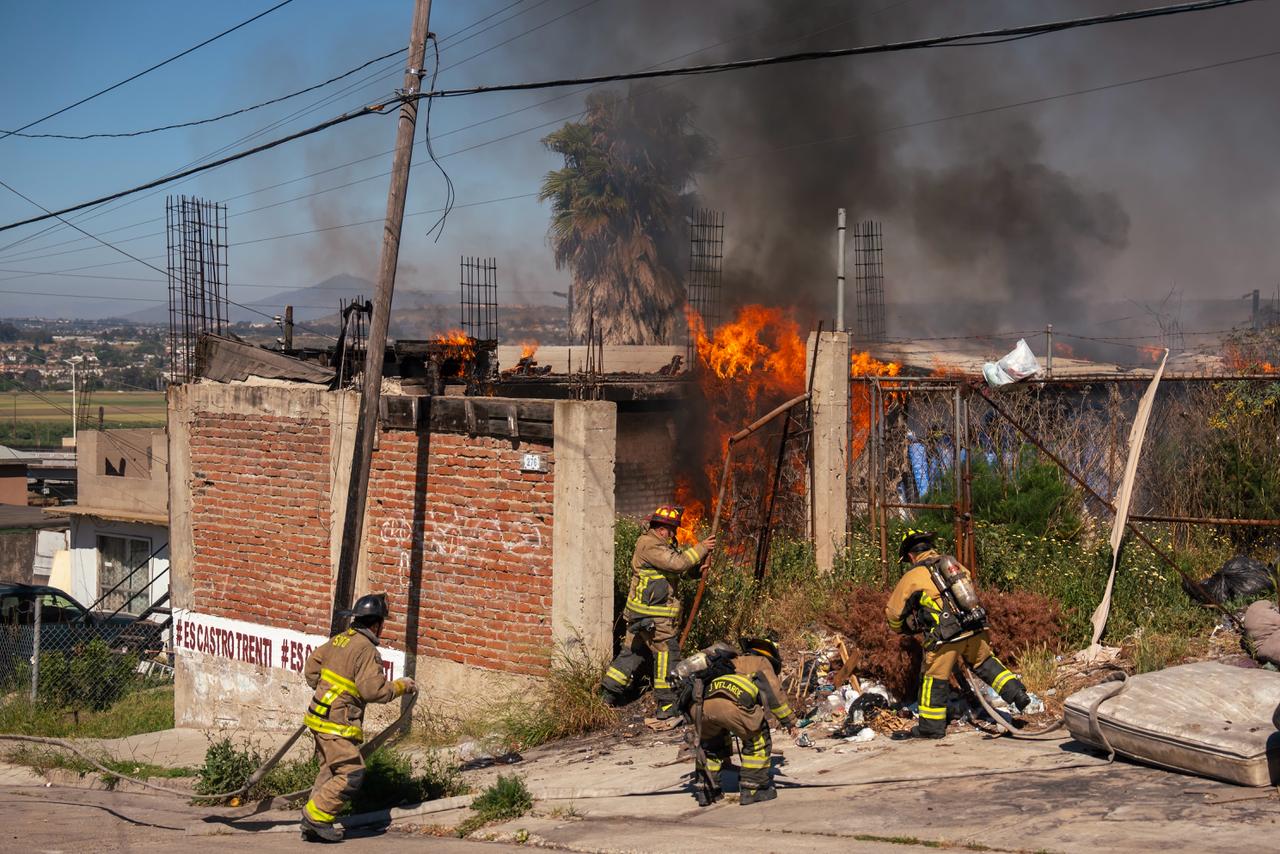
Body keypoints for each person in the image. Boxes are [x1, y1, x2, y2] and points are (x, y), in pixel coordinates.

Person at [885, 529, 1031, 740]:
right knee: (985, 663)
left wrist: (902, 628)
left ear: (910, 556)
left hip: (946, 637)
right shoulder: (954, 565)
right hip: (975, 626)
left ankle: (931, 727)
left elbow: (893, 612)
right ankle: (1018, 693)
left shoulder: (912, 576)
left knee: (933, 679)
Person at [300, 593, 417, 843]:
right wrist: (401, 686)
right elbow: (373, 691)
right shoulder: (367, 650)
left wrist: (325, 692)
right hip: (337, 724)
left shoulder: (339, 639)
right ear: (376, 624)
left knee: (330, 770)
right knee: (352, 772)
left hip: (318, 718)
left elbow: (311, 669)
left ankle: (314, 820)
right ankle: (315, 817)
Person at [600, 505, 716, 718]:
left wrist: (696, 572)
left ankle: (607, 695)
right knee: (666, 655)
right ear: (662, 529)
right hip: (654, 616)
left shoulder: (660, 546)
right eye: (671, 530)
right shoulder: (649, 544)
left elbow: (674, 573)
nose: (673, 534)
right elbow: (677, 564)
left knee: (632, 653)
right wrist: (702, 548)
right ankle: (667, 705)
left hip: (641, 614)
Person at [696, 636, 799, 805]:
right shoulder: (761, 662)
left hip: (704, 706)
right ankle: (753, 788)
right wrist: (789, 721)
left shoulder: (728, 661)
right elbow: (774, 693)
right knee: (758, 740)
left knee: (711, 746)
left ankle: (706, 790)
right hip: (733, 704)